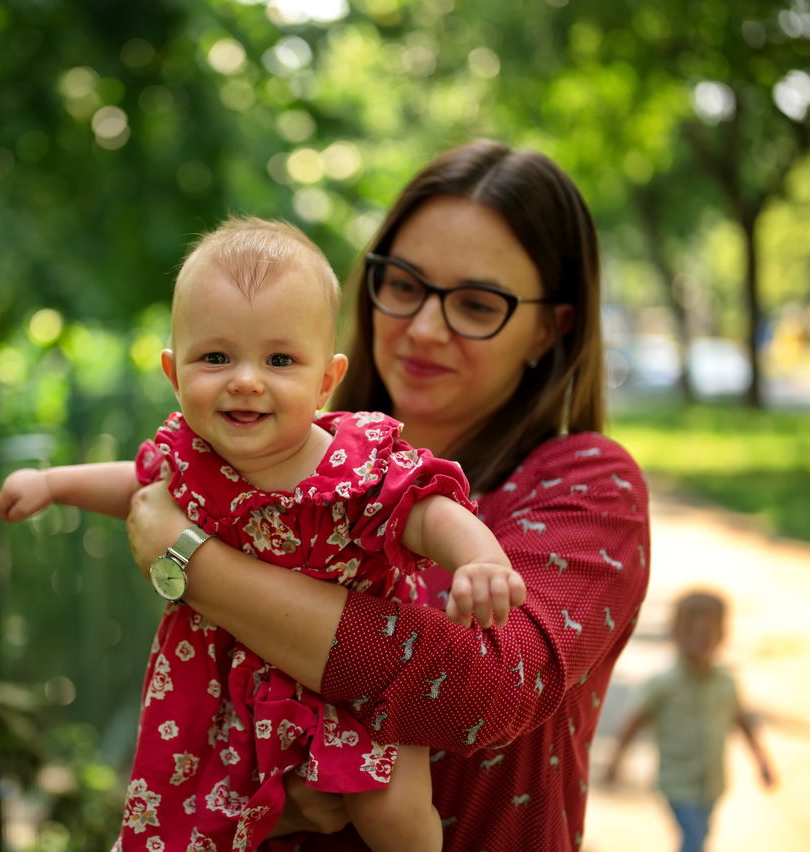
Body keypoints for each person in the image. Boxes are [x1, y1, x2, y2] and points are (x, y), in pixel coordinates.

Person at [123, 139, 652, 851]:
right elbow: (206, 730)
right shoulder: (266, 461)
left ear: (548, 330)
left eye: (475, 303)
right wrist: (271, 802)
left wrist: (189, 560)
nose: (424, 328)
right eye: (403, 285)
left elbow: (487, 689)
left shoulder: (587, 484)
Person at [0, 217, 526, 851]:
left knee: (394, 807)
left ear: (326, 379)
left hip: (345, 689)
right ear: (173, 371)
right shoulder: (190, 456)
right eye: (216, 357)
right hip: (220, 690)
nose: (246, 379)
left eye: (279, 359)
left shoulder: (353, 468)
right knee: (189, 814)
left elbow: (427, 511)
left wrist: (479, 558)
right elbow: (136, 484)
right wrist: (54, 485)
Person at [602, 590, 776, 852]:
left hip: (712, 783)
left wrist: (762, 762)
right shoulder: (663, 684)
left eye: (706, 632)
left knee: (701, 833)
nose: (698, 639)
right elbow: (635, 721)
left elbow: (743, 721)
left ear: (722, 635)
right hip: (677, 781)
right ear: (674, 632)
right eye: (689, 630)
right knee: (694, 839)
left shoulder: (726, 683)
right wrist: (616, 761)